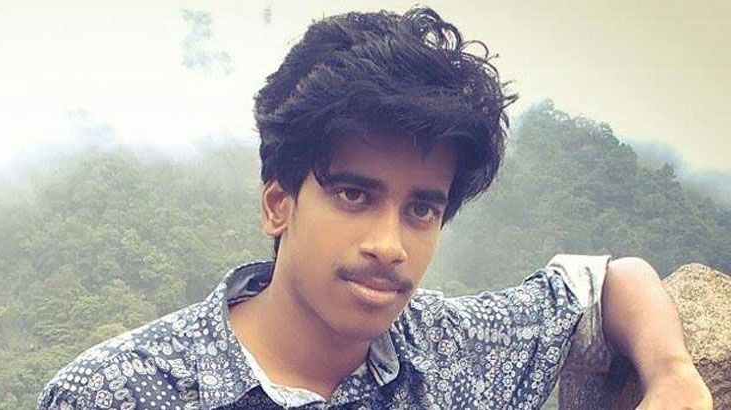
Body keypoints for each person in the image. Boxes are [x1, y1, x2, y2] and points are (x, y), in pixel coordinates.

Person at [37, 6, 712, 409]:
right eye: (354, 195)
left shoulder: (450, 352)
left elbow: (610, 284)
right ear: (278, 203)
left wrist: (673, 375)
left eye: (421, 209)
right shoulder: (118, 392)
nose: (389, 244)